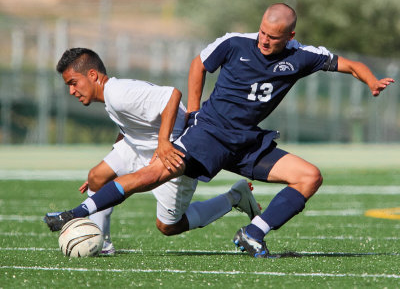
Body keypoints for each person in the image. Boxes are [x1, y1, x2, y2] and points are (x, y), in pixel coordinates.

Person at [45, 4, 394, 258]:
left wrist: (371, 80)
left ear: (291, 36)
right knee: (152, 175)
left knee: (310, 177)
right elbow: (199, 65)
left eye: (273, 38)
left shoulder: (302, 56)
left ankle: (254, 233)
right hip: (208, 134)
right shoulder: (235, 43)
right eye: (262, 33)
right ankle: (78, 212)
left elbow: (347, 63)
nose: (264, 42)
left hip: (247, 142)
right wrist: (194, 114)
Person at [45, 47, 261, 254]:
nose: (72, 91)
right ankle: (101, 243)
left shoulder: (118, 94)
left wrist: (164, 142)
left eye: (73, 83)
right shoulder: (112, 96)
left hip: (173, 154)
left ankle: (234, 197)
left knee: (168, 227)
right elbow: (132, 126)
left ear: (92, 75)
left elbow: (172, 96)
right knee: (97, 176)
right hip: (140, 145)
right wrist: (112, 158)